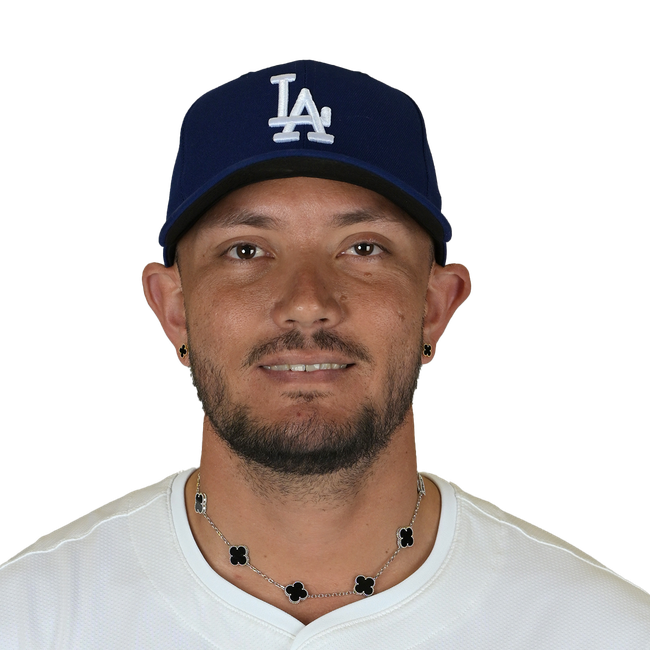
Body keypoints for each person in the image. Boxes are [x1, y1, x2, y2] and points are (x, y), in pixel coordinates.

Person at [1, 59, 648, 648]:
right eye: (247, 250)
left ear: (435, 303)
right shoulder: (29, 616)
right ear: (173, 308)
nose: (307, 302)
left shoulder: (603, 630)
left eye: (363, 248)